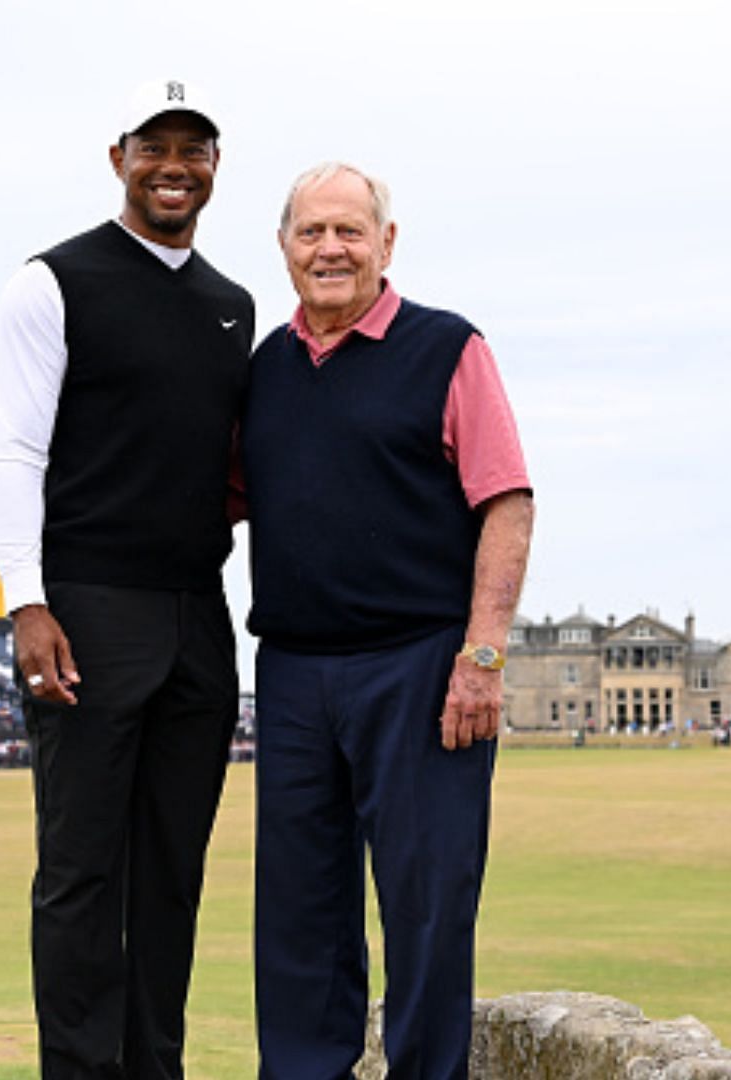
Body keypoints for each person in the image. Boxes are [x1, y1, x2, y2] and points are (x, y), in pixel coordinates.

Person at [0, 79, 253, 1080]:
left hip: (199, 615)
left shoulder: (233, 305)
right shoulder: (51, 282)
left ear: (216, 165)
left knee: (172, 875)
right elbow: (14, 450)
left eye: (195, 148)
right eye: (156, 146)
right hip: (86, 608)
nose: (174, 166)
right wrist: (28, 601)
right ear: (119, 158)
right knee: (82, 874)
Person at [243, 162, 535, 1079]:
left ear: (387, 243)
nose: (331, 249)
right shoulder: (265, 369)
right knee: (300, 915)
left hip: (420, 668)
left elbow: (508, 502)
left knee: (426, 906)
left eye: (350, 232)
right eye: (310, 233)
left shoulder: (448, 348)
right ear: (284, 249)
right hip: (292, 674)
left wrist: (481, 656)